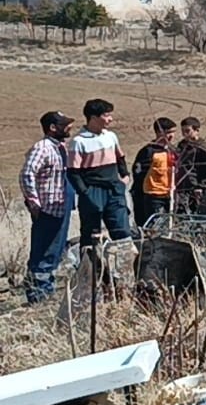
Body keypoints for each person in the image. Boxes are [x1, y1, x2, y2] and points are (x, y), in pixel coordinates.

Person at [19, 111, 75, 304]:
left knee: (56, 251)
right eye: (64, 124)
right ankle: (38, 294)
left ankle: (47, 290)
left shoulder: (61, 148)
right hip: (47, 209)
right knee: (43, 251)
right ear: (52, 127)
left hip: (61, 207)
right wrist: (34, 202)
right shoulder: (42, 148)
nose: (68, 127)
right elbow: (27, 174)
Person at [67, 98, 133, 250]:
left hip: (114, 188)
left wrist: (124, 177)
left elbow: (120, 157)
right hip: (93, 190)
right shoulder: (78, 141)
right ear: (94, 117)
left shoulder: (110, 136)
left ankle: (124, 269)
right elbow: (73, 172)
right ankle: (91, 270)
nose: (110, 119)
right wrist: (85, 193)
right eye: (106, 115)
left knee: (122, 230)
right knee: (91, 234)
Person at [131, 117, 178, 227]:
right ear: (159, 132)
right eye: (168, 133)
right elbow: (139, 173)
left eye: (173, 132)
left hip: (169, 195)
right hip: (151, 196)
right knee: (153, 225)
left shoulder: (173, 150)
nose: (172, 136)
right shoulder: (148, 151)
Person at [175, 117, 206, 216]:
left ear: (197, 130)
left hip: (198, 189)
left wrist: (201, 186)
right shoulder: (182, 146)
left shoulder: (203, 148)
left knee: (199, 216)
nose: (184, 134)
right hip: (182, 188)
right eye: (182, 131)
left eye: (187, 131)